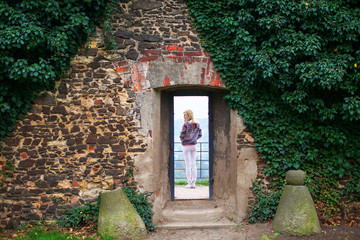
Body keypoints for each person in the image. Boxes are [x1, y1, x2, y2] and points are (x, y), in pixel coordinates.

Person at [179, 109, 202, 188]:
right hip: (194, 145)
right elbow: (200, 134)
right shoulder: (197, 124)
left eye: (185, 115)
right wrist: (194, 139)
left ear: (188, 115)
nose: (184, 116)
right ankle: (193, 183)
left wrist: (182, 139)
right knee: (193, 164)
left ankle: (189, 183)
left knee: (188, 164)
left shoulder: (185, 125)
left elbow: (182, 135)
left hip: (186, 145)